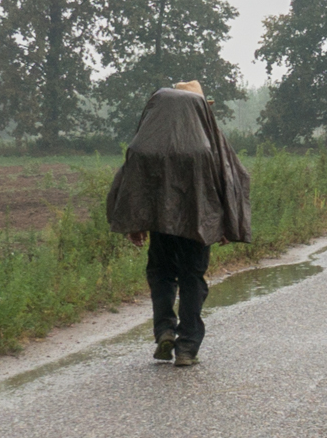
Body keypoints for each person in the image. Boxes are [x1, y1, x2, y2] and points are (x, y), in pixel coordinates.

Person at [105, 81, 251, 366]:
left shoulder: (146, 145)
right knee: (192, 278)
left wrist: (136, 223)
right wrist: (224, 223)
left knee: (161, 275)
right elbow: (231, 179)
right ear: (199, 108)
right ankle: (186, 347)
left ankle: (164, 330)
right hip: (198, 226)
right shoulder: (208, 144)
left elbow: (131, 185)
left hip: (161, 226)